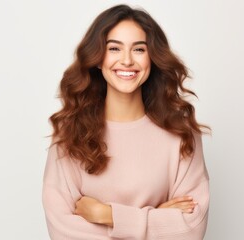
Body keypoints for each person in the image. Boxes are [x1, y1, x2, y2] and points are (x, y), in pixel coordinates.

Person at [42, 4, 210, 240]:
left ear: (152, 58)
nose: (127, 60)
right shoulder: (69, 136)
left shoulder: (182, 134)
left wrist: (108, 215)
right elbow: (63, 232)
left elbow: (190, 231)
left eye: (139, 49)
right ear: (98, 58)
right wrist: (157, 219)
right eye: (114, 48)